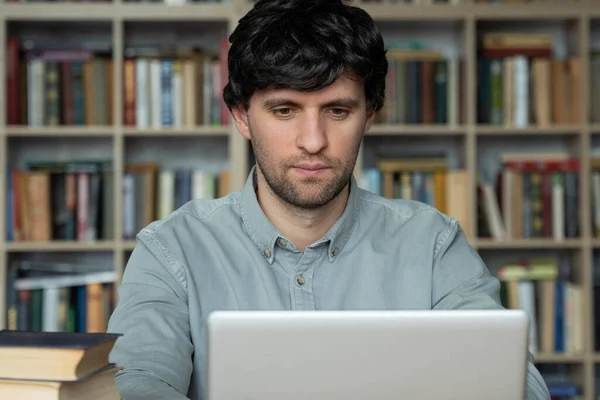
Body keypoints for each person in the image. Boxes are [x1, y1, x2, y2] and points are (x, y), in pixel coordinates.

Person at [107, 0, 551, 399]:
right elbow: (136, 382)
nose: (313, 142)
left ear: (369, 115)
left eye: (337, 111)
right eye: (285, 110)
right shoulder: (171, 250)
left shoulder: (433, 244)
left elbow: (514, 383)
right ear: (242, 116)